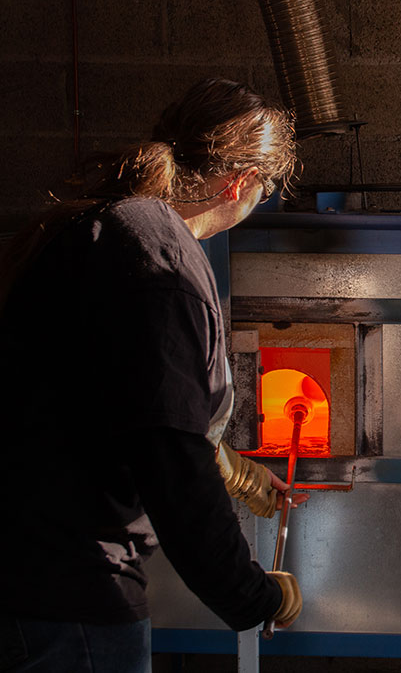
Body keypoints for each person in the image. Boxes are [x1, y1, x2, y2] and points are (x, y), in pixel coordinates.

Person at [0, 78, 307, 673]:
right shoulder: (163, 263)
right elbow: (168, 455)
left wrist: (233, 471)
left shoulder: (104, 228)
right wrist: (251, 593)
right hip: (71, 591)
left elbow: (112, 401)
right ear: (238, 184)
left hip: (25, 574)